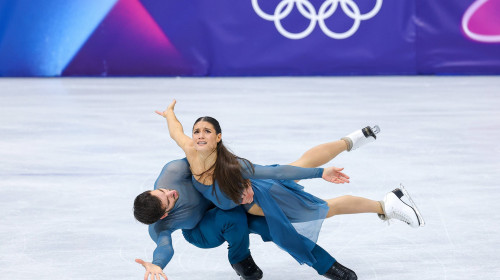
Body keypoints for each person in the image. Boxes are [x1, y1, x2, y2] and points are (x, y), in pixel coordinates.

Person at [139, 100, 424, 279]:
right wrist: (169, 114)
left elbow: (275, 172)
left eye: (164, 191)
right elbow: (177, 132)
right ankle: (350, 141)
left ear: (218, 138)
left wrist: (319, 174)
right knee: (300, 171)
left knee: (321, 210)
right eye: (167, 200)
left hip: (250, 198)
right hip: (227, 210)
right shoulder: (190, 154)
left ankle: (386, 204)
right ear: (164, 216)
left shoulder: (205, 169)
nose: (170, 192)